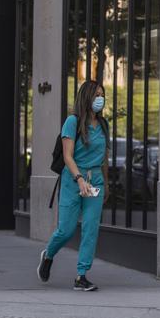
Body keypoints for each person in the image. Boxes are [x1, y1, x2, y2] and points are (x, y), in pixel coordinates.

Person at [37, 81, 109, 291]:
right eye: (96, 94)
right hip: (73, 180)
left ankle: (81, 275)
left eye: (102, 95)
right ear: (86, 97)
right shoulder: (72, 121)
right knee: (66, 230)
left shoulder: (104, 125)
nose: (100, 99)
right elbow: (68, 156)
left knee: (90, 228)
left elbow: (104, 156)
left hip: (95, 180)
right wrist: (79, 179)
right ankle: (48, 255)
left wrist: (105, 183)